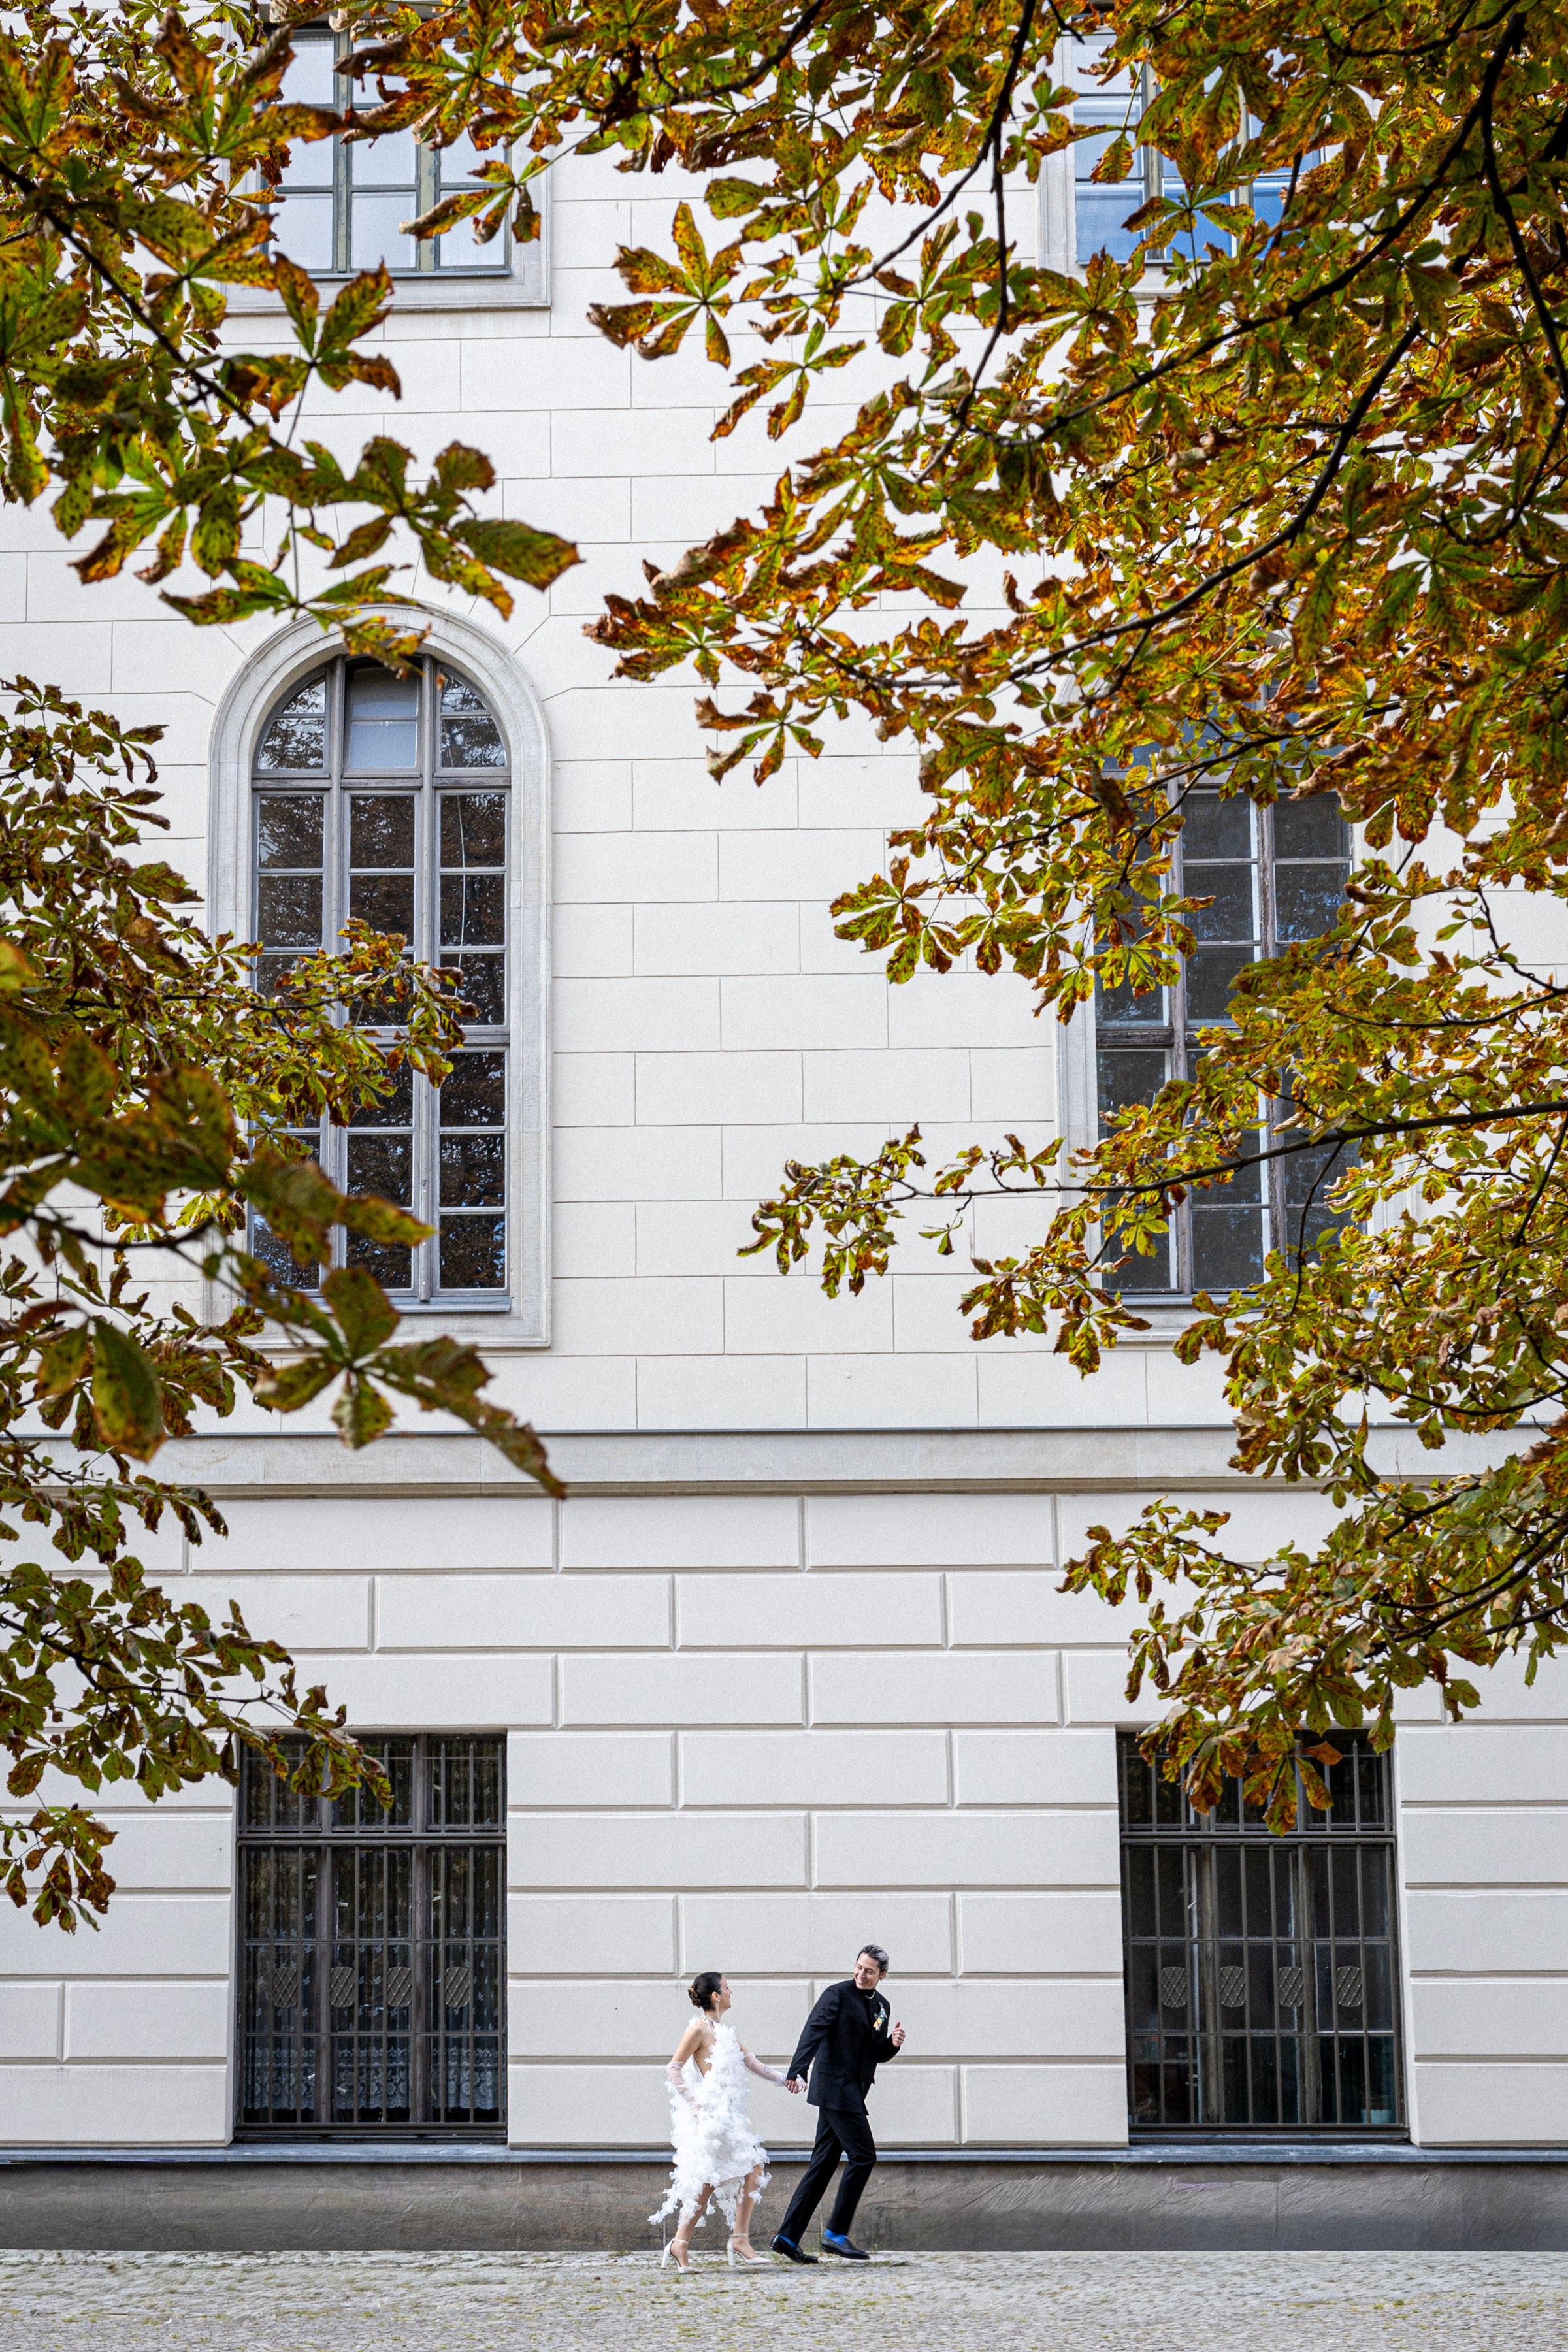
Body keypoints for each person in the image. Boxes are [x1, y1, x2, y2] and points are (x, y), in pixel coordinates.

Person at [651, 1970, 801, 2272]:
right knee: (714, 2177)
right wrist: (695, 2105)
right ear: (716, 1996)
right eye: (728, 1988)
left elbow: (752, 2063)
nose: (732, 1992)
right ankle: (704, 2242)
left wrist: (786, 2080)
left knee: (748, 2167)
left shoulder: (725, 2032)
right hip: (712, 2115)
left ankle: (713, 2241)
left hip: (730, 2115)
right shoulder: (698, 2029)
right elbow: (674, 2068)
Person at [771, 1944, 906, 2264]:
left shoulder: (882, 2006)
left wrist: (893, 2045)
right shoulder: (837, 1994)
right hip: (834, 2089)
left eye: (869, 1971)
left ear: (882, 1975)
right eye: (859, 1967)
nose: (861, 1974)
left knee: (823, 2164)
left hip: (853, 2091)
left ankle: (787, 2237)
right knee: (864, 2155)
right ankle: (835, 2234)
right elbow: (813, 2031)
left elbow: (875, 2053)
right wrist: (798, 2070)